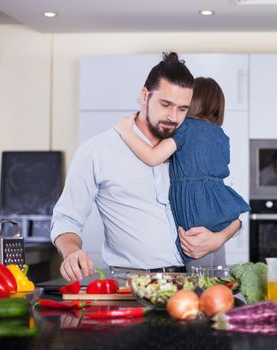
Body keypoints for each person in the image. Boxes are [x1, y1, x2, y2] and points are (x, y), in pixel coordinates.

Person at [51, 52, 242, 281]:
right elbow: (66, 218)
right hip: (132, 284)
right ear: (144, 95)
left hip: (193, 285)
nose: (173, 116)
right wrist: (71, 251)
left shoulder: (194, 146)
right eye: (165, 104)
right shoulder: (96, 151)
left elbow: (230, 213)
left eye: (182, 109)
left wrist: (219, 238)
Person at [114, 77, 250, 267]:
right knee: (218, 278)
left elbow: (152, 157)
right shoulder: (220, 135)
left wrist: (125, 131)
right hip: (219, 210)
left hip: (195, 209)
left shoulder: (185, 128)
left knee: (197, 282)